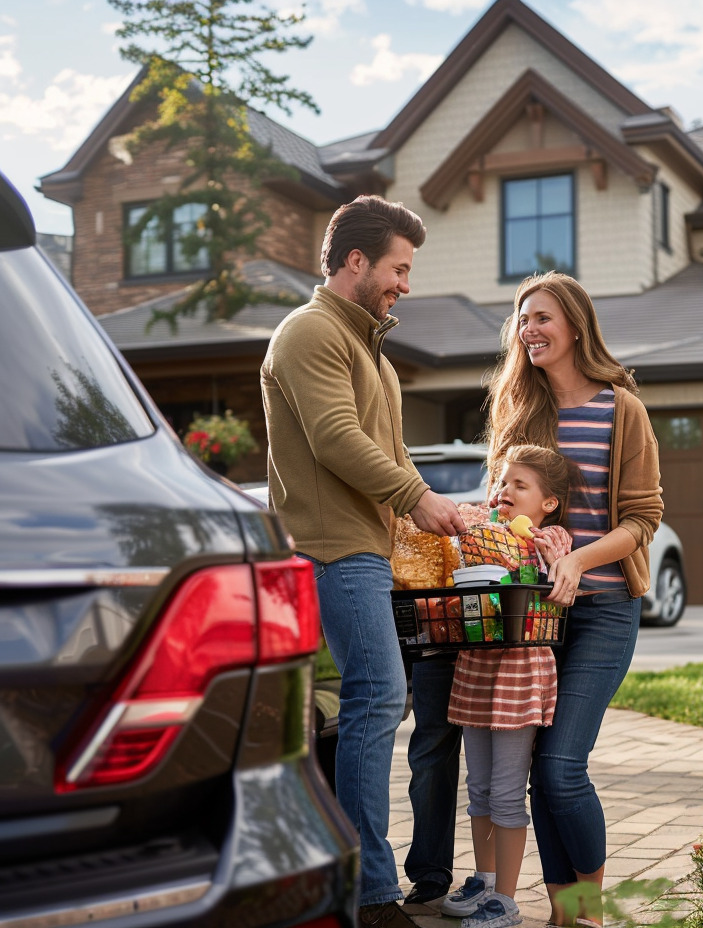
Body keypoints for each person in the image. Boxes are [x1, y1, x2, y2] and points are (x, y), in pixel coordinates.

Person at [261, 194, 467, 928]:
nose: (405, 283)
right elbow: (336, 441)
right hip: (332, 546)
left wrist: (446, 511)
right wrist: (416, 497)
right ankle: (369, 892)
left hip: (366, 549)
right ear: (356, 261)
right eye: (398, 268)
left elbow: (391, 449)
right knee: (377, 697)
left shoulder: (366, 346)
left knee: (361, 706)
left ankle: (338, 874)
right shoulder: (312, 332)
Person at [484, 271, 663, 927]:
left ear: (576, 327)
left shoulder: (622, 409)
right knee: (537, 769)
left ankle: (588, 907)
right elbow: (498, 513)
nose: (530, 329)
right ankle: (564, 913)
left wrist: (577, 560)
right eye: (523, 318)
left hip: (605, 609)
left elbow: (643, 518)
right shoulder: (519, 413)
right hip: (535, 617)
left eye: (543, 317)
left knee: (561, 767)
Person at [441, 444, 577, 928]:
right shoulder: (481, 532)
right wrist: (478, 519)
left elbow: (557, 568)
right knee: (477, 788)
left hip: (519, 674)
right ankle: (483, 878)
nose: (505, 492)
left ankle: (507, 897)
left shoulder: (550, 537)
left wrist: (533, 539)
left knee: (504, 792)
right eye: (502, 482)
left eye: (520, 485)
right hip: (477, 667)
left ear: (548, 503)